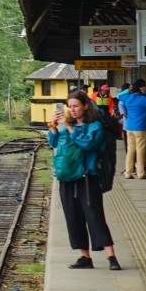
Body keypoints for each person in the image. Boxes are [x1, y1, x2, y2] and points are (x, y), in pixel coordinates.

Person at [50, 93, 119, 269]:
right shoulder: (68, 125)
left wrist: (69, 127)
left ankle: (111, 257)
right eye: (69, 106)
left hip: (89, 178)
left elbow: (88, 144)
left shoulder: (95, 126)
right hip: (68, 177)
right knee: (73, 217)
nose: (72, 110)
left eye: (76, 106)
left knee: (94, 216)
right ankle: (84, 257)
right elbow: (55, 143)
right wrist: (53, 128)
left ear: (85, 106)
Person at [117, 78, 146, 178]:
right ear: (142, 88)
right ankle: (141, 173)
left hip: (129, 128)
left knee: (130, 150)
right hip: (141, 128)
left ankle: (128, 173)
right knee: (140, 151)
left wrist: (128, 90)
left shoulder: (127, 98)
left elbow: (118, 96)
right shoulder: (143, 99)